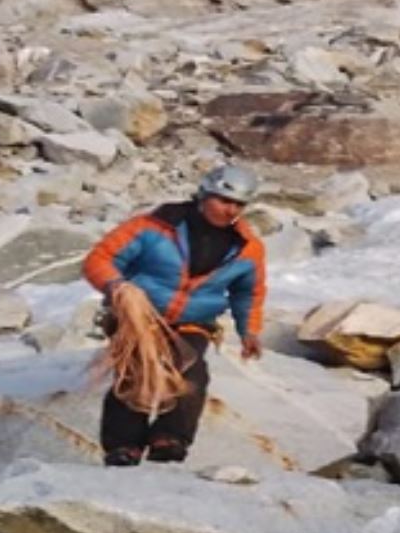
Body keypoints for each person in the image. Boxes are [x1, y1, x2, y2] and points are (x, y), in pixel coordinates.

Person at [83, 164, 267, 466]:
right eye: (223, 200)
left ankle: (169, 438)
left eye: (238, 204)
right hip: (137, 316)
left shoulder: (247, 249)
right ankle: (124, 445)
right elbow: (100, 259)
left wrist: (250, 331)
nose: (230, 210)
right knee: (136, 370)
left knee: (191, 372)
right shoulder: (153, 227)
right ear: (204, 195)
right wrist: (117, 287)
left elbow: (247, 293)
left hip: (193, 322)